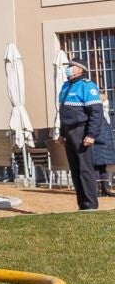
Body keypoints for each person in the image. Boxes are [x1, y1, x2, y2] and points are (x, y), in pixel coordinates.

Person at [57, 58, 105, 210]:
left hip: (81, 130)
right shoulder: (65, 86)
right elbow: (63, 113)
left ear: (80, 69)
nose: (69, 68)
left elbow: (96, 113)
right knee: (75, 169)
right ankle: (82, 205)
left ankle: (91, 204)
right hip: (69, 131)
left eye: (72, 66)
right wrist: (62, 133)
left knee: (85, 169)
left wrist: (91, 134)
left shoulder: (87, 86)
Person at [93, 96, 115, 198]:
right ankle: (97, 189)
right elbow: (96, 130)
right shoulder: (98, 115)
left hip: (105, 145)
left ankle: (105, 188)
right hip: (98, 144)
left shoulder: (106, 116)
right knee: (96, 167)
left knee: (103, 167)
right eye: (105, 105)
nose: (107, 107)